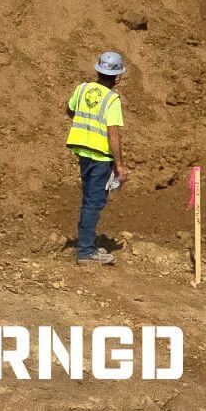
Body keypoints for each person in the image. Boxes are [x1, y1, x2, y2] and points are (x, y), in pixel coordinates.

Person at [65, 51, 129, 265]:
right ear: (117, 76)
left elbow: (70, 110)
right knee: (94, 202)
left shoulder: (82, 89)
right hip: (101, 157)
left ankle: (86, 243)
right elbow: (113, 133)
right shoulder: (112, 99)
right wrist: (119, 164)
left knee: (88, 200)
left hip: (83, 153)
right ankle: (85, 251)